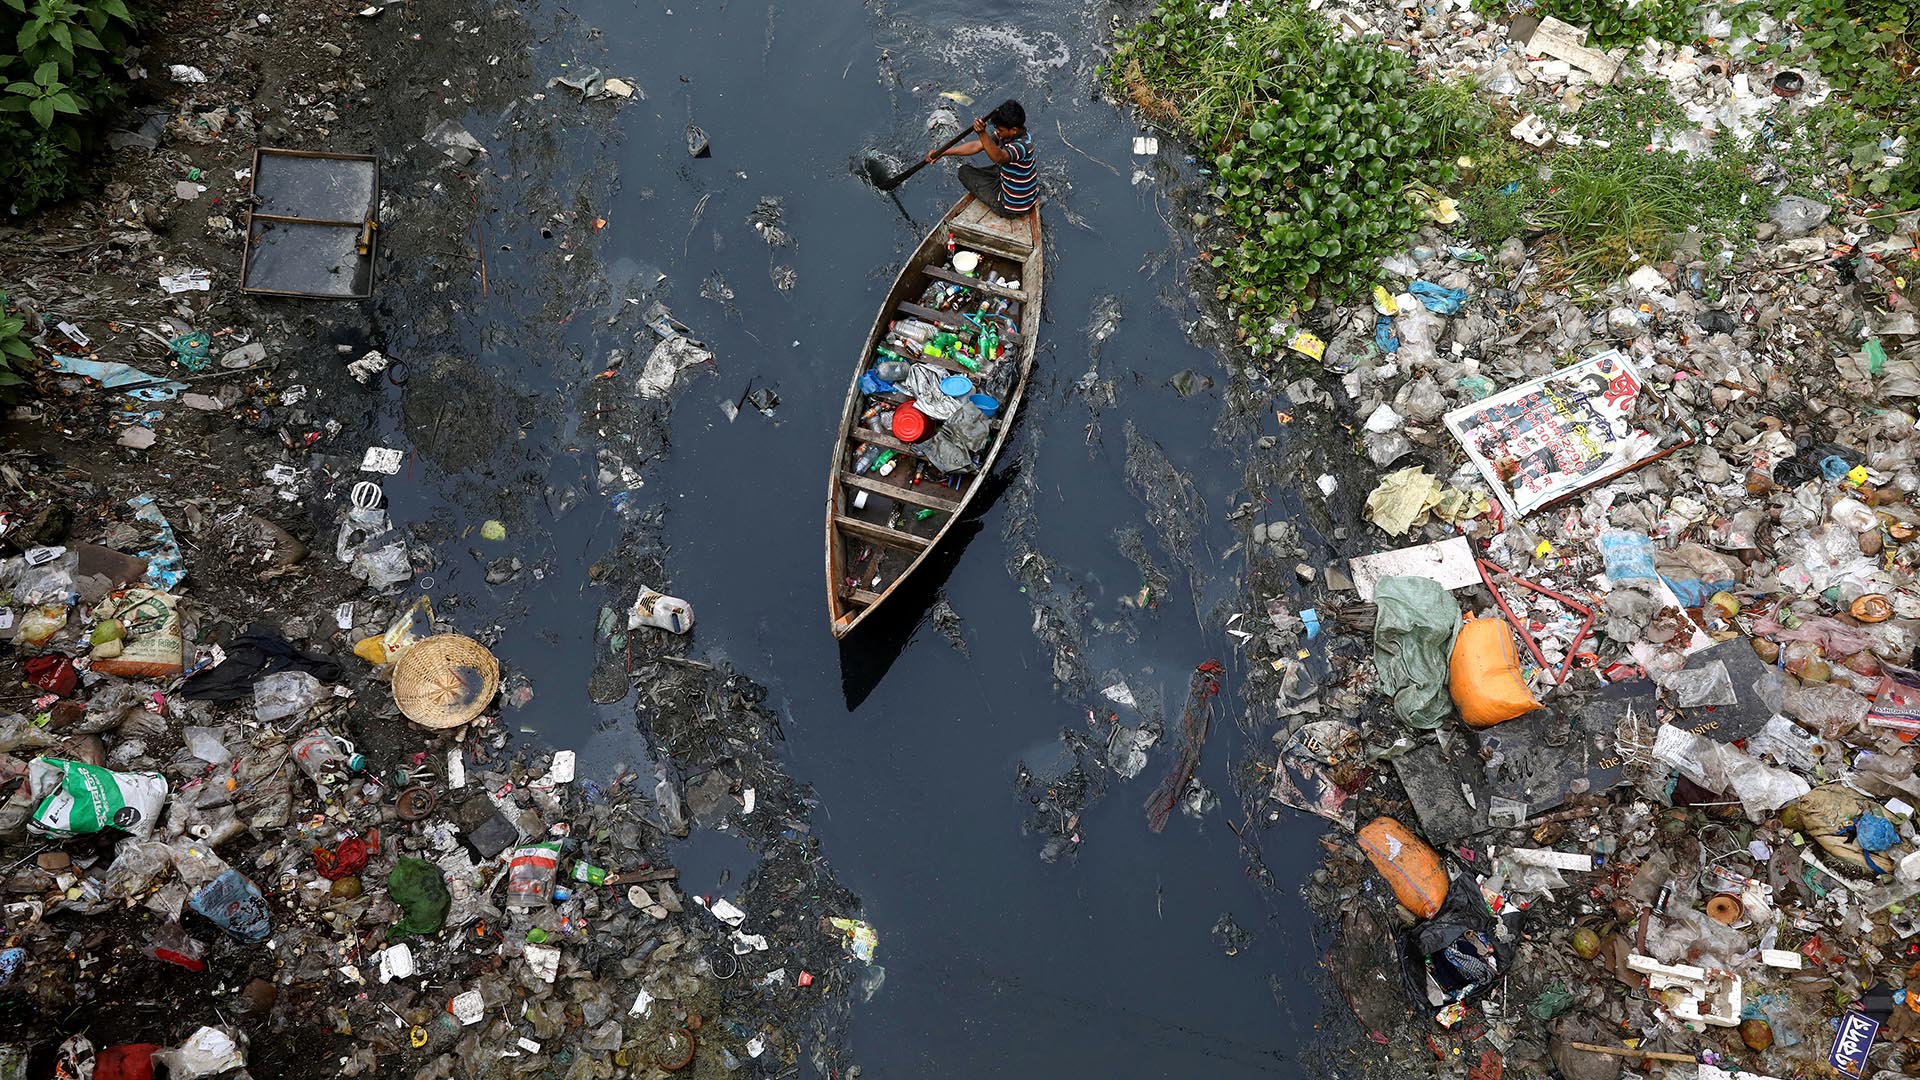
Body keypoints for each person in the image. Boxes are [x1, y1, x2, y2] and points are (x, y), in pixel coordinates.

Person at [925, 99, 1035, 217]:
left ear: (1013, 130)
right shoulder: (1009, 134)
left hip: (1010, 207)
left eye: (1000, 130)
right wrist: (943, 152)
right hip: (1024, 195)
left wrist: (982, 133)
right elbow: (976, 146)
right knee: (996, 167)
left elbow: (998, 157)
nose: (997, 132)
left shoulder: (1021, 146)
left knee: (964, 172)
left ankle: (999, 204)